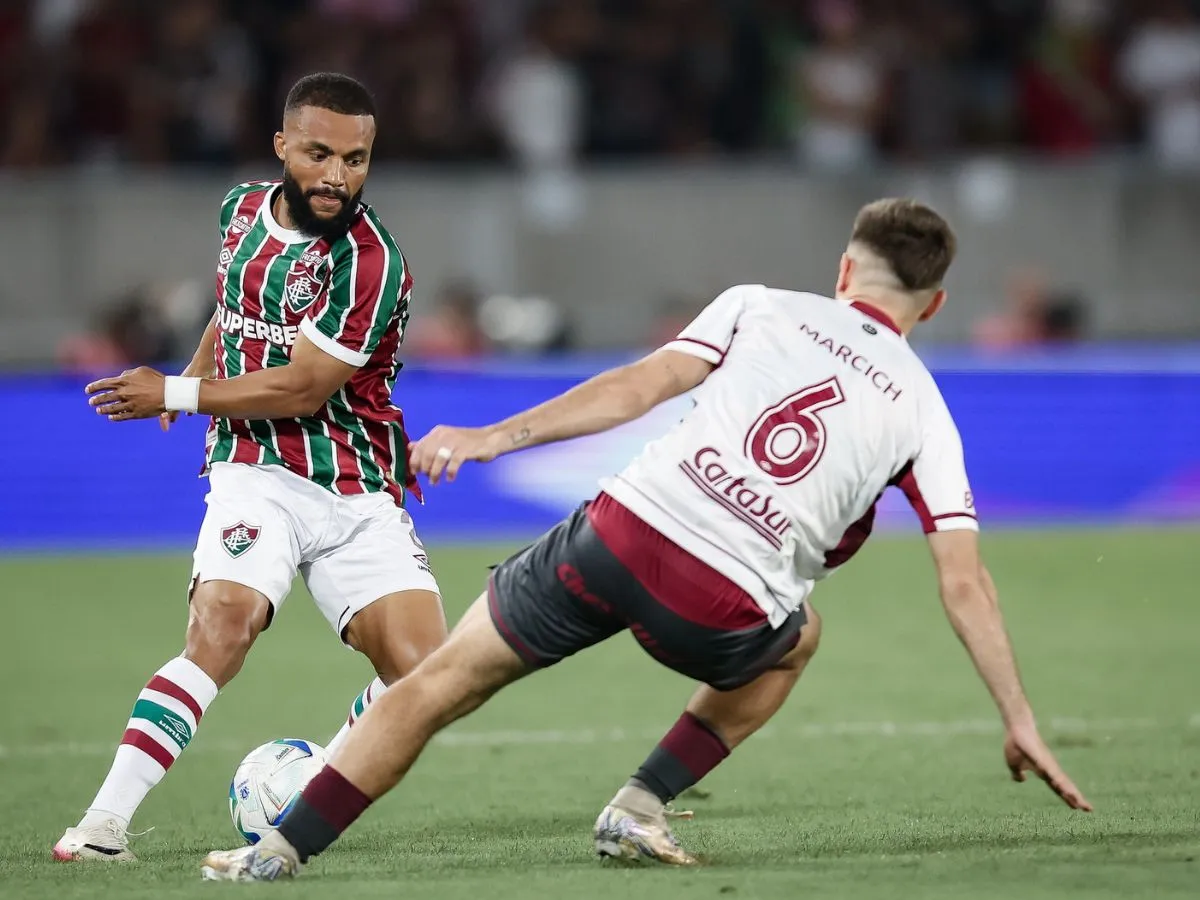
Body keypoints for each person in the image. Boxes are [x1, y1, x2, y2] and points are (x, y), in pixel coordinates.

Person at [198, 198, 1092, 882]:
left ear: (843, 269)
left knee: (433, 686)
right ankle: (637, 804)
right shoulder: (927, 410)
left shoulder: (760, 305)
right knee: (799, 641)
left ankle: (276, 851)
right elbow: (965, 583)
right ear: (931, 307)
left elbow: (638, 388)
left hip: (616, 537)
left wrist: (486, 437)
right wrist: (1018, 718)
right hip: (723, 607)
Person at [53, 72, 447, 862]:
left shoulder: (370, 264)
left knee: (429, 676)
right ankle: (99, 828)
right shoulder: (239, 210)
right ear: (282, 148)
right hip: (253, 467)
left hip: (354, 483)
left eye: (357, 159)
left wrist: (176, 389)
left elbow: (303, 388)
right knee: (224, 626)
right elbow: (234, 305)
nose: (337, 176)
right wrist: (196, 373)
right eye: (320, 153)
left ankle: (306, 785)